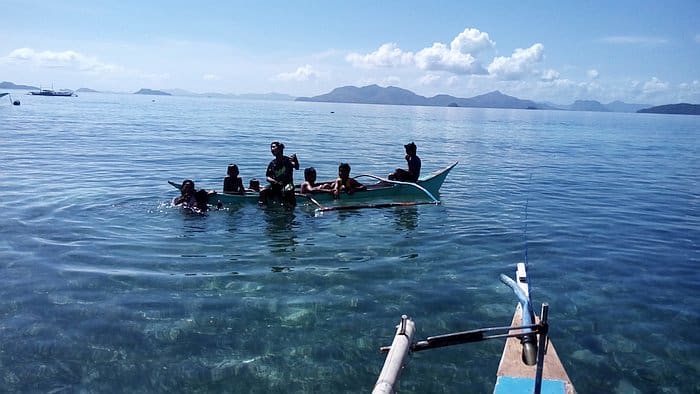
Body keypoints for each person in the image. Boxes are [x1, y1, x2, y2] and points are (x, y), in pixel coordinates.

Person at [259, 141, 299, 206]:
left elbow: (296, 167)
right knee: (262, 191)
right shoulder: (272, 163)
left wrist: (296, 160)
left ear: (280, 149)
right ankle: (264, 207)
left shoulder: (287, 160)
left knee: (288, 190)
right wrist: (275, 182)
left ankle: (291, 207)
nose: (272, 149)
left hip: (288, 184)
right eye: (271, 147)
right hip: (276, 185)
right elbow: (268, 177)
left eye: (274, 147)